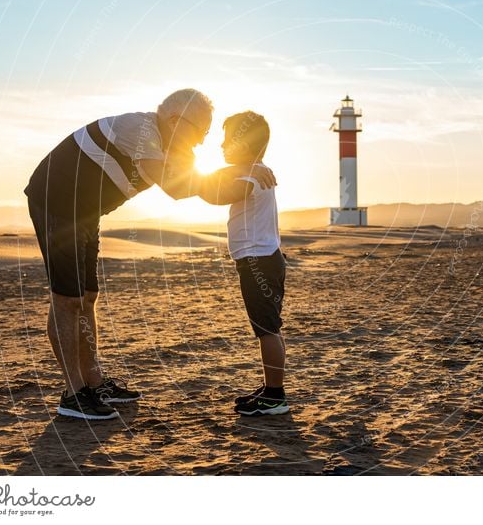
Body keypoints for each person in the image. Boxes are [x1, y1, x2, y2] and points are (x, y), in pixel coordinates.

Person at [24, 89, 276, 420]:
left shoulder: (174, 146)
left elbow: (201, 185)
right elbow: (177, 187)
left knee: (88, 297)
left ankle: (94, 380)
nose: (200, 143)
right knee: (67, 300)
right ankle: (73, 393)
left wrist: (245, 170)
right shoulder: (140, 130)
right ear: (175, 120)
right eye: (199, 132)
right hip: (56, 202)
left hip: (86, 213)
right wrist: (241, 171)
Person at [199, 111, 288, 416]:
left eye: (228, 140)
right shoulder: (253, 170)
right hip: (261, 259)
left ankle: (275, 396)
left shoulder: (252, 177)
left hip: (259, 262)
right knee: (268, 327)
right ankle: (270, 389)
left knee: (267, 330)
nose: (222, 146)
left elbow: (215, 195)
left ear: (245, 145)